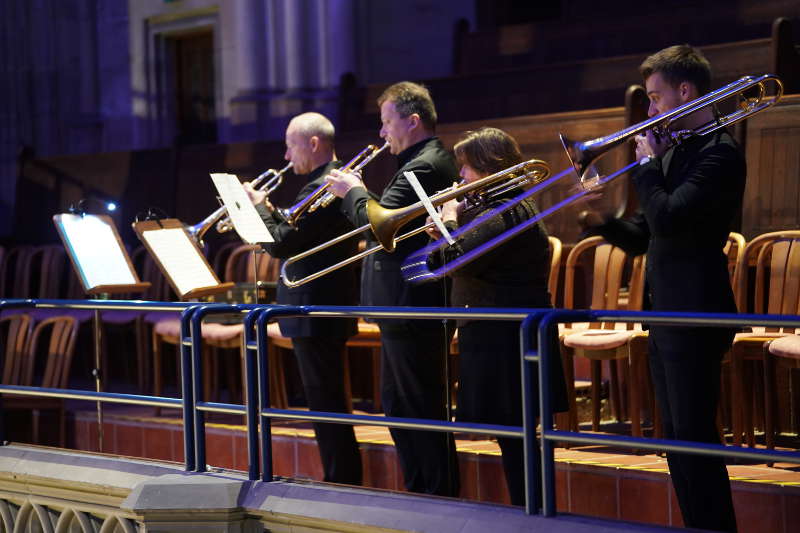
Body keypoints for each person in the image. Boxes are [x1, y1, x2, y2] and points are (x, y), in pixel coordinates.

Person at [581, 45, 742, 532]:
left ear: (686, 92)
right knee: (675, 438)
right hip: (666, 311)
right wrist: (600, 220)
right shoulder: (677, 151)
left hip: (697, 313)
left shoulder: (719, 152)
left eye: (655, 99)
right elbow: (645, 235)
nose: (649, 112)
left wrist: (648, 167)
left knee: (695, 439)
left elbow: (669, 217)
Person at [325, 81, 459, 496]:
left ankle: (437, 498)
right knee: (400, 407)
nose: (382, 133)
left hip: (413, 305)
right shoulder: (418, 162)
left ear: (412, 120)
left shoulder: (426, 164)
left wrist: (354, 192)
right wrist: (362, 195)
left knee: (419, 407)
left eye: (386, 122)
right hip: (400, 305)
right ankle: (420, 494)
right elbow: (391, 222)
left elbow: (378, 224)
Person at [425, 127, 566, 506]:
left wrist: (449, 219)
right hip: (501, 335)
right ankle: (530, 511)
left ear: (489, 168)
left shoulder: (504, 212)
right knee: (512, 438)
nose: (461, 179)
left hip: (507, 340)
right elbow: (442, 259)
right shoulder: (499, 208)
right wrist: (445, 227)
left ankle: (533, 514)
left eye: (467, 169)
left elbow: (449, 260)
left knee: (517, 438)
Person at [244, 112, 362, 485]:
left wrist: (259, 208)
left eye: (290, 145)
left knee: (326, 402)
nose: (285, 155)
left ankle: (342, 480)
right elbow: (292, 234)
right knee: (322, 401)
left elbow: (282, 243)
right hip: (311, 305)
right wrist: (268, 211)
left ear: (313, 144)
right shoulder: (317, 185)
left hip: (318, 307)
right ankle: (339, 476)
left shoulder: (328, 185)